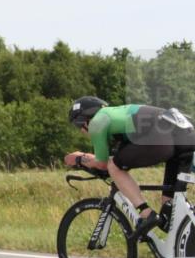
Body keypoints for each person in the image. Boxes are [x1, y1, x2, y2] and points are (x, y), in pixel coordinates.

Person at [65, 97, 195, 240]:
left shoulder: (97, 121)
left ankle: (146, 213)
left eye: (78, 126)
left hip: (162, 136)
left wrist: (79, 158)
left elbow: (102, 163)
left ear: (84, 120)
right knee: (169, 212)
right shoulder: (119, 118)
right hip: (185, 133)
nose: (81, 131)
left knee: (114, 166)